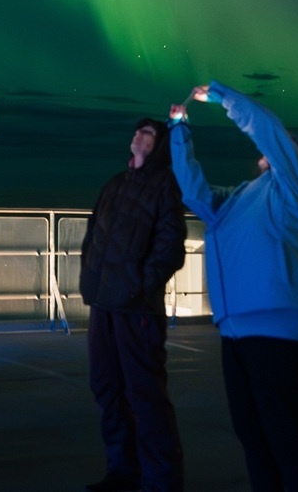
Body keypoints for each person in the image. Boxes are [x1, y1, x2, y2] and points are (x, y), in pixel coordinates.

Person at [167, 81, 298, 492]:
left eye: (286, 147)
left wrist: (222, 97)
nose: (275, 149)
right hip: (236, 329)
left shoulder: (295, 185)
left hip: (279, 326)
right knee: (252, 436)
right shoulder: (239, 198)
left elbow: (267, 128)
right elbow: (193, 191)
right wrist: (179, 132)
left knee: (281, 435)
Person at [80, 118, 187, 492]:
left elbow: (171, 248)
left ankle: (161, 479)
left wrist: (138, 287)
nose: (141, 136)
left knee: (145, 394)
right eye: (138, 131)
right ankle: (122, 472)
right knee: (106, 386)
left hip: (136, 308)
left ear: (157, 146)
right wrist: (90, 280)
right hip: (104, 304)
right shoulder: (115, 184)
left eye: (150, 134)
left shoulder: (165, 186)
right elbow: (93, 233)